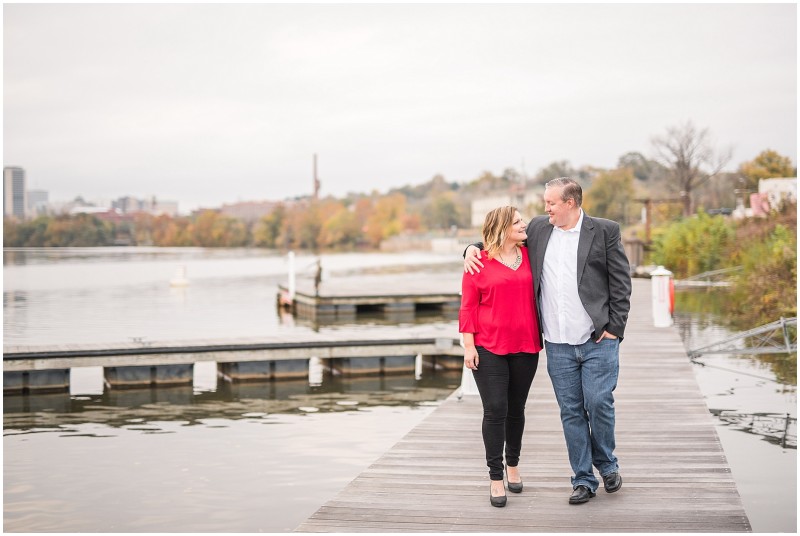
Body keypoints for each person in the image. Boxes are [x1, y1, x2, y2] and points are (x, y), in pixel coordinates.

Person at [464, 177, 632, 505]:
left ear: (570, 203)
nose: (545, 209)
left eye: (551, 203)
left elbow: (621, 284)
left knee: (598, 403)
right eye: (545, 203)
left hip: (598, 338)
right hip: (556, 343)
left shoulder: (605, 231)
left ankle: (607, 464)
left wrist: (615, 328)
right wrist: (470, 248)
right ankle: (583, 479)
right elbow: (497, 237)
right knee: (570, 411)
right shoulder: (541, 229)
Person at [459, 206, 543, 508]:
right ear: (502, 227)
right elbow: (467, 307)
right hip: (488, 346)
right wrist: (469, 347)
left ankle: (513, 466)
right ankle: (495, 478)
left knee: (516, 409)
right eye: (518, 221)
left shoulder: (531, 253)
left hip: (526, 344)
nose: (524, 225)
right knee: (495, 408)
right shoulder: (477, 261)